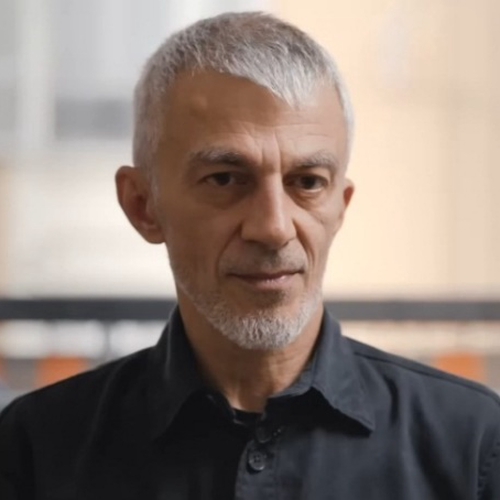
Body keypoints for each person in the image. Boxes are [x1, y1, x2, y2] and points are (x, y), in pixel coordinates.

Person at [0, 11, 499, 500]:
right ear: (142, 205)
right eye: (225, 179)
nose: (273, 227)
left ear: (340, 208)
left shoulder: (472, 447)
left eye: (308, 182)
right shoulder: (36, 450)